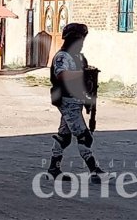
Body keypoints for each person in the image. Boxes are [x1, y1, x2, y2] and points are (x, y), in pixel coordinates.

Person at [48, 23, 108, 184]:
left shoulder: (79, 57)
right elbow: (61, 75)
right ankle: (94, 170)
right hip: (67, 101)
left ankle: (54, 168)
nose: (81, 43)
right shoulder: (62, 57)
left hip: (77, 100)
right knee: (84, 136)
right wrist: (83, 73)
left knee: (64, 137)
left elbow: (88, 80)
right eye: (79, 39)